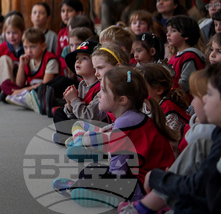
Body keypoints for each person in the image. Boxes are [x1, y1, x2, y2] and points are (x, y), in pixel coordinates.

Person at [58, 67, 176, 208]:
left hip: (143, 190)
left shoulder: (124, 124)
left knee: (89, 174)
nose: (98, 95)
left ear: (122, 100)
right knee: (92, 171)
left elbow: (117, 170)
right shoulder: (131, 117)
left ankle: (111, 198)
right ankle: (83, 187)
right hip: (148, 182)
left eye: (103, 91)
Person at [132, 66, 221, 214]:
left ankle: (144, 207)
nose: (198, 102)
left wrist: (160, 178)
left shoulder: (168, 108)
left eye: (209, 94)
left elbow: (198, 187)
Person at [52, 39, 102, 145]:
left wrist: (74, 100)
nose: (78, 62)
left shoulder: (100, 87)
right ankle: (69, 137)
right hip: (81, 123)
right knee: (59, 113)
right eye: (77, 58)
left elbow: (90, 118)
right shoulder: (82, 85)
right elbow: (76, 115)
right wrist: (70, 105)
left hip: (95, 128)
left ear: (96, 64)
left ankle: (68, 138)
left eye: (84, 58)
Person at [3, 27, 59, 112]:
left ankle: (26, 98)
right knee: (5, 85)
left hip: (44, 91)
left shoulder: (50, 60)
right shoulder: (28, 60)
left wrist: (22, 91)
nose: (29, 51)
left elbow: (45, 84)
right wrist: (22, 65)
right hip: (30, 89)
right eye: (25, 47)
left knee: (42, 90)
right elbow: (19, 83)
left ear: (43, 46)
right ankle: (24, 98)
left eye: (32, 47)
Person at [138, 62, 190, 138]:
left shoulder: (169, 110)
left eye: (141, 86)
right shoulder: (144, 105)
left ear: (158, 90)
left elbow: (172, 139)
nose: (137, 89)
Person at [166, 15, 207, 98]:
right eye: (168, 31)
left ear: (186, 35)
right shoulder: (175, 57)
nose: (168, 34)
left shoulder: (190, 56)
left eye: (173, 31)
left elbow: (185, 85)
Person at [0, 14, 25, 96]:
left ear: (22, 32)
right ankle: (8, 90)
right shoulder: (1, 48)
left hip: (22, 83)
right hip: (7, 83)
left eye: (15, 33)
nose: (11, 36)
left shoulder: (27, 47)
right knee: (4, 59)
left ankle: (18, 92)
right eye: (8, 33)